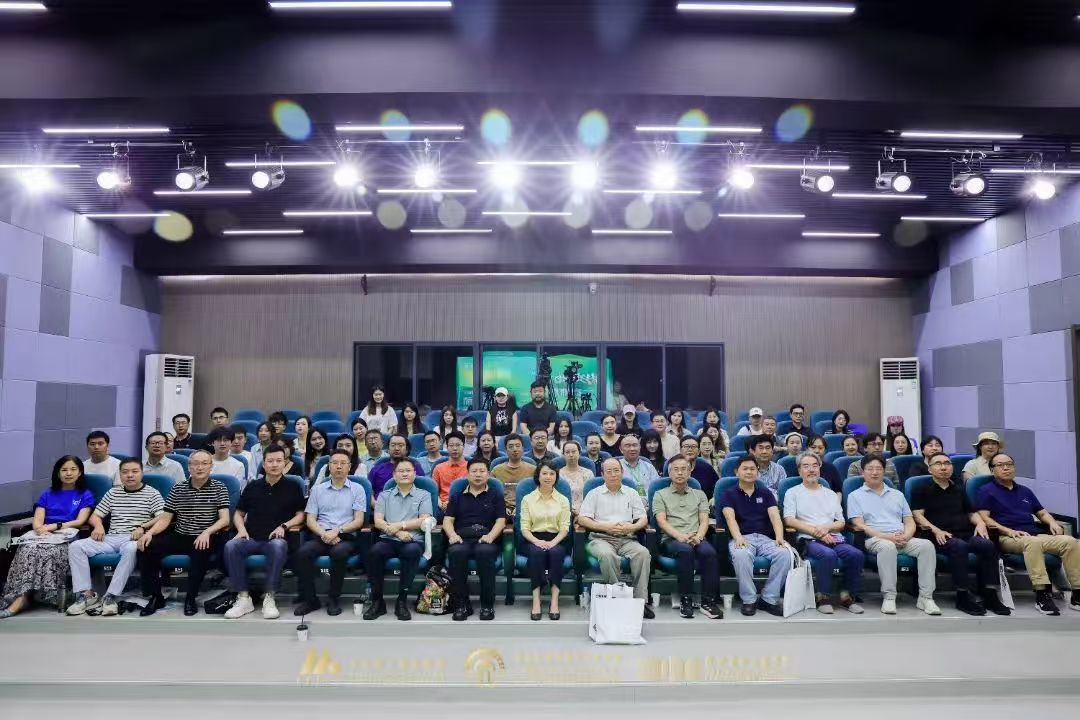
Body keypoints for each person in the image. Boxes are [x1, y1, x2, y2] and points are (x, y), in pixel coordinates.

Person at [977, 452, 1080, 615]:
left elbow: (1042, 513)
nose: (1006, 468)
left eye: (1009, 464)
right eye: (1000, 465)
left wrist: (1052, 523)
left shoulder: (1025, 491)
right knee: (1033, 543)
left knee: (1071, 542)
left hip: (1033, 534)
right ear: (992, 470)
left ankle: (1077, 593)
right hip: (1007, 537)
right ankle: (1042, 594)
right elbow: (985, 518)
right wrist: (1008, 530)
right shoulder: (986, 491)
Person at [912, 452, 1010, 616]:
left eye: (947, 463)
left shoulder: (958, 488)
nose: (943, 467)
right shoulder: (922, 489)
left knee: (987, 545)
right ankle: (962, 595)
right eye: (938, 464)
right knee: (959, 546)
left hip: (964, 533)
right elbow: (917, 515)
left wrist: (980, 523)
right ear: (929, 469)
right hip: (939, 536)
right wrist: (936, 530)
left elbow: (971, 512)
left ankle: (989, 593)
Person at [66, 458, 164, 617]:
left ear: (142, 473)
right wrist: (98, 526)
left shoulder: (152, 493)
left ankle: (110, 596)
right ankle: (86, 595)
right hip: (110, 537)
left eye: (134, 471)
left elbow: (162, 517)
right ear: (120, 474)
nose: (130, 475)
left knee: (132, 549)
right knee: (76, 546)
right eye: (125, 472)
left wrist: (143, 527)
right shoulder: (113, 492)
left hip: (132, 538)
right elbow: (95, 516)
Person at [138, 450, 231, 616]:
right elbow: (165, 519)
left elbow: (224, 520)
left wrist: (207, 532)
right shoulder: (178, 488)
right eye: (195, 463)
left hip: (205, 536)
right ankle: (156, 596)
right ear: (189, 467)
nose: (200, 467)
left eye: (204, 463)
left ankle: (190, 597)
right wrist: (149, 533)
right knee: (146, 546)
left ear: (211, 467)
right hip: (181, 534)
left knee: (200, 551)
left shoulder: (219, 487)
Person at [1, 457, 95, 618]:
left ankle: (34, 597)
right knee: (27, 549)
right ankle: (22, 597)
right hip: (42, 534)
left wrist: (54, 526)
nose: (68, 473)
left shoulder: (85, 494)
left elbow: (80, 521)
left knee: (48, 551)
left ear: (80, 473)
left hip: (68, 536)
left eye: (73, 469)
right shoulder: (47, 494)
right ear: (57, 473)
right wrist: (40, 530)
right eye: (64, 470)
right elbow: (37, 522)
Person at [847, 454, 941, 615]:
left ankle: (926, 597)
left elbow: (909, 521)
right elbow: (859, 525)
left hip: (902, 537)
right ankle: (889, 597)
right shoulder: (855, 495)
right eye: (870, 469)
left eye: (878, 469)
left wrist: (907, 536)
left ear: (884, 471)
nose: (874, 472)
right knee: (888, 546)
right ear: (863, 472)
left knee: (926, 546)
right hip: (875, 539)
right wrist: (887, 537)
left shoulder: (897, 494)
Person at [223, 446, 305, 620]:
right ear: (264, 464)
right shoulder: (253, 486)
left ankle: (270, 597)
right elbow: (238, 514)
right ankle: (243, 598)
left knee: (277, 546)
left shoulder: (293, 486)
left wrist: (284, 526)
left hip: (276, 540)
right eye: (270, 461)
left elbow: (301, 515)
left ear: (285, 463)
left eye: (278, 461)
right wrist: (241, 530)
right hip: (251, 538)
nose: (274, 464)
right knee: (231, 546)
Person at [783, 451, 865, 614]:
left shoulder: (831, 494)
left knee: (856, 554)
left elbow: (841, 522)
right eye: (806, 466)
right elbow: (789, 520)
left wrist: (826, 529)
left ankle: (847, 596)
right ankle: (823, 597)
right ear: (799, 470)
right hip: (808, 540)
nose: (811, 470)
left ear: (820, 468)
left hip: (834, 537)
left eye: (815, 466)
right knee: (828, 555)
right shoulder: (792, 492)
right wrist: (817, 532)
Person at [293, 449, 367, 616]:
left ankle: (333, 598)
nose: (338, 466)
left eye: (343, 463)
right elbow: (310, 520)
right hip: (321, 534)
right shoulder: (318, 490)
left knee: (338, 552)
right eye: (334, 463)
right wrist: (324, 533)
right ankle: (310, 600)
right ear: (329, 466)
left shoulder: (358, 489)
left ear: (349, 467)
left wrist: (337, 531)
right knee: (303, 553)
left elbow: (358, 521)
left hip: (346, 535)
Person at [578, 457, 654, 618]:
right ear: (602, 474)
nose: (613, 474)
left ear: (622, 472)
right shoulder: (594, 493)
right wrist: (605, 527)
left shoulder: (632, 493)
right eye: (609, 471)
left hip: (627, 538)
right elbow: (582, 519)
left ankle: (640, 602)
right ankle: (618, 598)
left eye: (616, 470)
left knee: (643, 554)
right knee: (607, 555)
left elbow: (643, 519)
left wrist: (631, 527)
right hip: (600, 538)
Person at [718, 456, 791, 616]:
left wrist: (779, 537)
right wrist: (738, 537)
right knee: (741, 555)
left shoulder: (766, 493)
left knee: (785, 554)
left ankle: (769, 599)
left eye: (752, 469)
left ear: (757, 472)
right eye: (745, 469)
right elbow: (730, 518)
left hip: (765, 539)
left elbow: (775, 517)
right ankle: (749, 600)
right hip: (743, 537)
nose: (749, 472)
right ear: (737, 472)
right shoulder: (728, 494)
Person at [653, 454, 722, 619]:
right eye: (676, 469)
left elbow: (704, 520)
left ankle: (708, 601)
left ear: (690, 472)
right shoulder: (660, 494)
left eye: (684, 469)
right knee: (686, 551)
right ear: (669, 473)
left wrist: (699, 536)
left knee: (709, 553)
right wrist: (680, 536)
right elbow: (661, 521)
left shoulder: (699, 494)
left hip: (696, 537)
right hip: (672, 539)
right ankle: (686, 599)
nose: (680, 473)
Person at [365, 457, 434, 621]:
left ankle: (401, 600)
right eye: (400, 471)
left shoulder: (424, 494)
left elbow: (424, 519)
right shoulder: (384, 495)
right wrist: (397, 533)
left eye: (408, 471)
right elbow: (378, 521)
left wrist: (400, 526)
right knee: (375, 552)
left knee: (411, 551)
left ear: (414, 474)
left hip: (413, 539)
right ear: (394, 475)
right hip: (389, 539)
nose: (404, 474)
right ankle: (377, 601)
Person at [444, 457, 507, 621]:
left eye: (482, 471)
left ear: (488, 474)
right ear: (467, 474)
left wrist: (491, 536)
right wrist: (452, 535)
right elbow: (448, 520)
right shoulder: (457, 495)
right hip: (462, 538)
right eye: (474, 471)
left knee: (484, 552)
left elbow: (501, 521)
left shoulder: (496, 495)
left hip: (486, 538)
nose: (478, 474)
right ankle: (462, 604)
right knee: (456, 552)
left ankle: (487, 605)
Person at [521, 460, 571, 620]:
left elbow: (564, 527)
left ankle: (554, 601)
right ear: (538, 476)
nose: (548, 477)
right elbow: (524, 528)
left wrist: (552, 543)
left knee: (556, 553)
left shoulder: (563, 500)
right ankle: (536, 600)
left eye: (552, 473)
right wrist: (537, 542)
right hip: (532, 538)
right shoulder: (528, 499)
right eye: (544, 473)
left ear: (556, 477)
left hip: (557, 538)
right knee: (537, 553)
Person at [368, 434, 423, 499]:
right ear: (388, 449)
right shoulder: (376, 469)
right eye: (393, 445)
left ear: (407, 449)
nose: (396, 448)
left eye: (400, 445)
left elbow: (423, 490)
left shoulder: (415, 468)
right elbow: (369, 492)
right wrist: (374, 503)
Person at [492, 434, 533, 515]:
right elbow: (492, 495)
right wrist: (502, 507)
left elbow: (536, 494)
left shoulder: (533, 470)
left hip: (527, 509)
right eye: (511, 447)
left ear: (523, 448)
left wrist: (521, 507)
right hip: (501, 510)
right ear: (506, 450)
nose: (515, 449)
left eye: (518, 446)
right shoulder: (496, 470)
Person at [432, 431, 468, 510]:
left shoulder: (471, 468)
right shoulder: (438, 468)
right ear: (447, 447)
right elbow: (433, 491)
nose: (455, 448)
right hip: (443, 506)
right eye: (451, 445)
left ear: (463, 446)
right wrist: (440, 504)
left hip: (466, 505)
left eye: (458, 445)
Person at [678, 435, 719, 500]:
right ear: (680, 450)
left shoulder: (706, 467)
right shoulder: (673, 467)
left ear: (699, 451)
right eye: (686, 446)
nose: (690, 449)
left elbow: (717, 488)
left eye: (693, 446)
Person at [557, 440, 591, 513]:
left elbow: (592, 496)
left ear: (579, 453)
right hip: (562, 511)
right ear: (563, 455)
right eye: (567, 452)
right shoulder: (557, 474)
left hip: (585, 510)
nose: (571, 455)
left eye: (574, 451)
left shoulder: (588, 473)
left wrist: (581, 509)